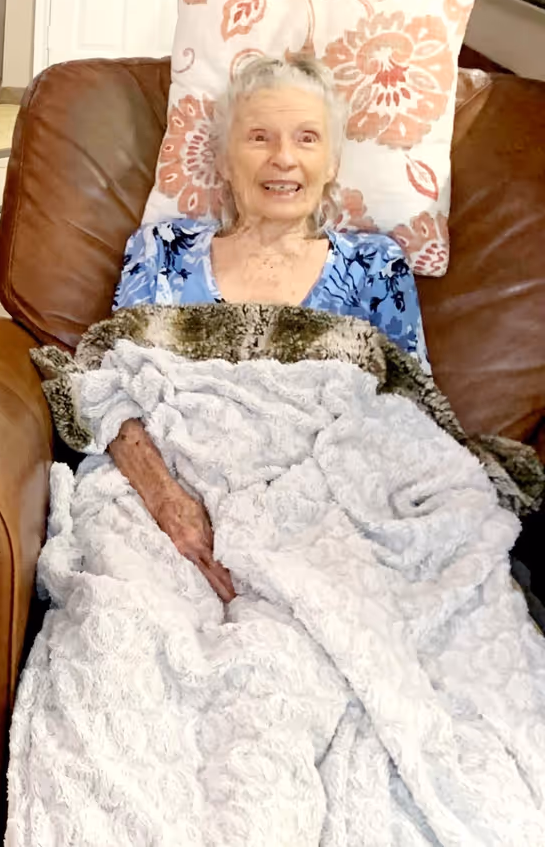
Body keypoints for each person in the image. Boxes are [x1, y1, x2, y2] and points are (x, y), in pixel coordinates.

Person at [108, 54, 427, 603]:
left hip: (325, 523)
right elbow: (110, 391)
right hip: (170, 516)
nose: (284, 159)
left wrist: (289, 525)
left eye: (307, 139)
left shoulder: (376, 266)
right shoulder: (162, 252)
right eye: (259, 138)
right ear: (225, 160)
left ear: (332, 163)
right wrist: (169, 505)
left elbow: (409, 414)